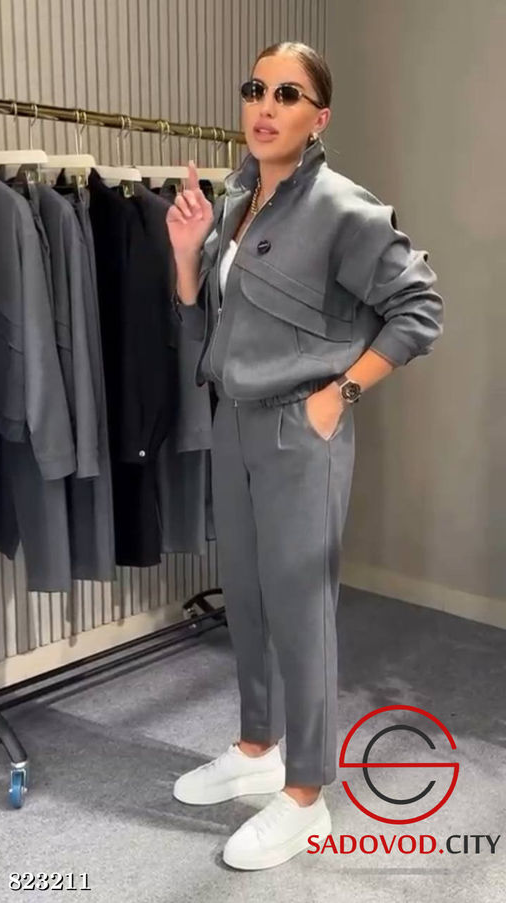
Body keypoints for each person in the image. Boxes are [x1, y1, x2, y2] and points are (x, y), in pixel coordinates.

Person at [165, 41, 444, 871]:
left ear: (318, 118)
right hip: (235, 421)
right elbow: (210, 324)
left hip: (299, 430)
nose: (265, 105)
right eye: (257, 88)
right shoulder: (237, 198)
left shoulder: (342, 208)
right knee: (247, 597)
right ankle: (257, 747)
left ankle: (305, 793)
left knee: (301, 609)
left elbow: (419, 311)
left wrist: (339, 393)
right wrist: (187, 257)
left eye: (287, 94)